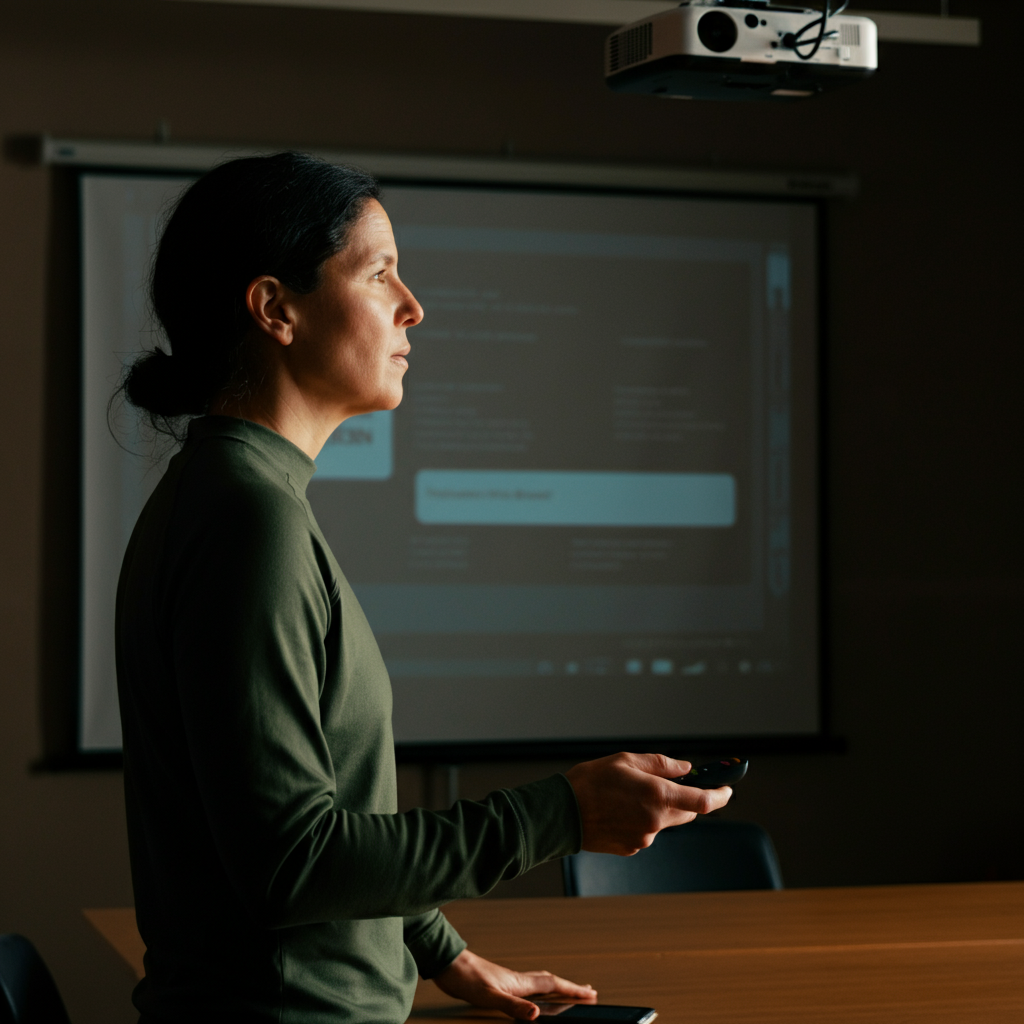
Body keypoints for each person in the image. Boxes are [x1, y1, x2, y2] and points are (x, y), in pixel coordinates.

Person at [115, 152, 731, 1024]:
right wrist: (559, 813)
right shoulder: (248, 523)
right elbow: (293, 862)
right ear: (275, 309)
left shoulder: (237, 496)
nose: (414, 306)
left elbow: (309, 821)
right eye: (379, 273)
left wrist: (443, 952)